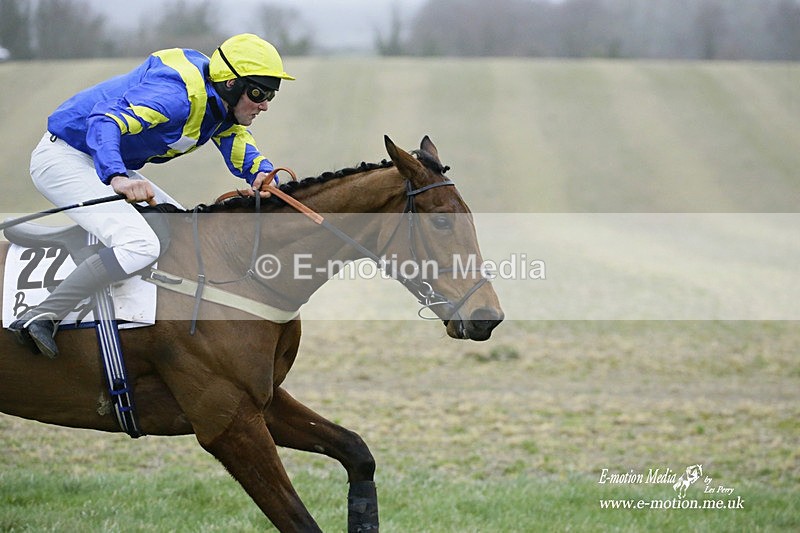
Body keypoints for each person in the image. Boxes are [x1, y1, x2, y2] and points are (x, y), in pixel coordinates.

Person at [10, 33, 294, 358]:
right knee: (140, 245)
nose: (265, 104)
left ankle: (86, 243)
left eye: (271, 95)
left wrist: (261, 173)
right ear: (231, 83)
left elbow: (234, 137)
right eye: (259, 93)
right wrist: (117, 177)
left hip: (99, 158)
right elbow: (104, 122)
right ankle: (41, 316)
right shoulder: (176, 98)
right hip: (66, 157)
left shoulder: (219, 103)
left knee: (184, 231)